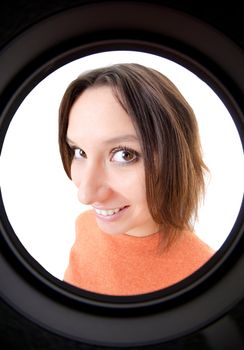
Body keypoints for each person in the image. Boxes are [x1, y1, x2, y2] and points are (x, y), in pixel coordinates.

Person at [58, 63, 214, 296]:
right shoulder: (86, 225)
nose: (85, 194)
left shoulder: (207, 276)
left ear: (176, 157)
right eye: (79, 152)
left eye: (124, 154)